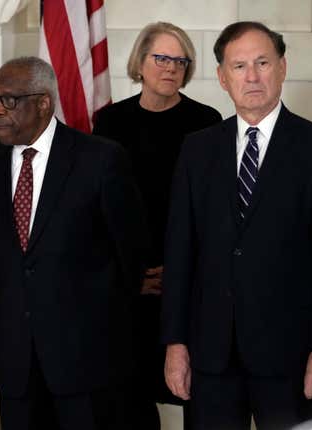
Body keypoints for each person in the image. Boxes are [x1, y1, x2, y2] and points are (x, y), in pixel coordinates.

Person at [161, 21, 312, 430]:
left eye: (262, 62)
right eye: (239, 66)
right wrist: (175, 344)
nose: (252, 76)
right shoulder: (197, 150)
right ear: (221, 77)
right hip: (211, 357)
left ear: (282, 68)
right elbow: (180, 254)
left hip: (292, 359)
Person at [0, 56, 147, 430]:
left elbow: (130, 254)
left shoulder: (100, 159)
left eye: (8, 101)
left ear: (43, 103)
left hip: (88, 363)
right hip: (16, 363)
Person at [93, 22, 221, 430]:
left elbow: (213, 210)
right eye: (161, 58)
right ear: (140, 63)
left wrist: (179, 271)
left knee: (194, 392)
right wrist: (132, 276)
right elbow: (101, 208)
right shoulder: (110, 121)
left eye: (180, 60)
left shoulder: (207, 121)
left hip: (190, 279)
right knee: (130, 398)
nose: (171, 68)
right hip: (129, 282)